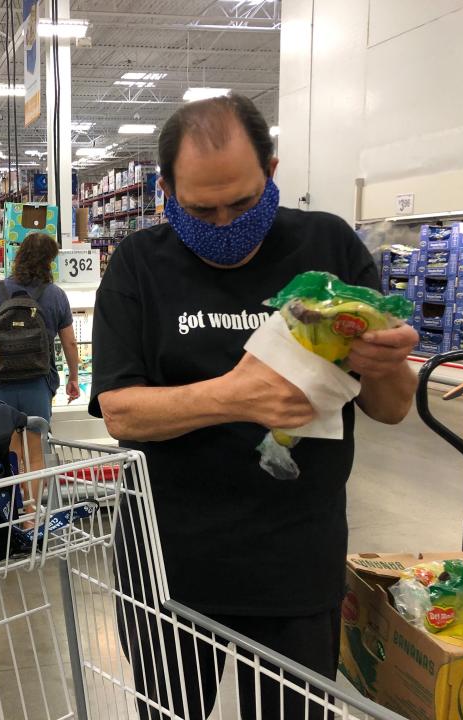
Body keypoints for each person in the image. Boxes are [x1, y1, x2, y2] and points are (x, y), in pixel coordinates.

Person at [89, 94, 419, 719]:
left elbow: (393, 409)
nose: (222, 223)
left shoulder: (328, 246)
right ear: (165, 188)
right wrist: (234, 396)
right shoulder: (140, 264)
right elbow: (122, 413)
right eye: (199, 208)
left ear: (271, 170)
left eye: (241, 203)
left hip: (295, 564)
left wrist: (387, 365)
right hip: (168, 567)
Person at [0, 232, 81, 423]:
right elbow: (69, 343)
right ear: (49, 261)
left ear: (19, 255)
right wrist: (73, 377)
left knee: (2, 441)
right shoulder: (56, 295)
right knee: (36, 442)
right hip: (38, 381)